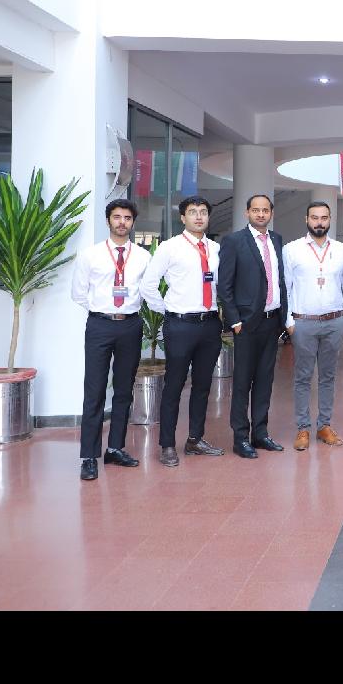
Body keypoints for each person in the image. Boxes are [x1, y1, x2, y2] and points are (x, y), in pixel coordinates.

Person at [140, 195, 225, 467]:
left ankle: (195, 439)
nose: (199, 217)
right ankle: (167, 444)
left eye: (203, 212)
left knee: (203, 385)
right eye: (193, 212)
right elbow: (148, 285)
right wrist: (168, 311)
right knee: (174, 385)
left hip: (209, 324)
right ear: (183, 217)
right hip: (180, 325)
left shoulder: (215, 249)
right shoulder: (170, 247)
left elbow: (221, 284)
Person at [71, 199, 148, 481]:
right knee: (95, 390)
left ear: (132, 222)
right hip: (100, 325)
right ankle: (89, 456)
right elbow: (78, 293)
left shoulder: (143, 257)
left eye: (127, 218)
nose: (122, 222)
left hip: (131, 325)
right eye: (117, 217)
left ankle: (115, 448)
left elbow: (147, 290)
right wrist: (102, 311)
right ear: (108, 221)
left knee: (124, 390)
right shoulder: (90, 255)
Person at [216, 194, 288, 459]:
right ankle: (240, 437)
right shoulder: (234, 241)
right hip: (245, 325)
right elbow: (225, 285)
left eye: (265, 210)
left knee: (265, 381)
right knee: (242, 382)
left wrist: (283, 317)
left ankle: (260, 433)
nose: (260, 214)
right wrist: (235, 321)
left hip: (272, 322)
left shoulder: (277, 239)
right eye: (255, 210)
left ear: (271, 213)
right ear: (247, 212)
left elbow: (279, 280)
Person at [283, 200, 343, 450]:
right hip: (303, 323)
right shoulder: (292, 249)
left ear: (330, 220)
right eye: (314, 217)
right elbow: (286, 287)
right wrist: (289, 322)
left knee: (328, 376)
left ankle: (324, 425)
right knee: (303, 377)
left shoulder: (342, 250)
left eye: (324, 218)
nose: (319, 222)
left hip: (334, 322)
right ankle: (303, 428)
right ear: (306, 219)